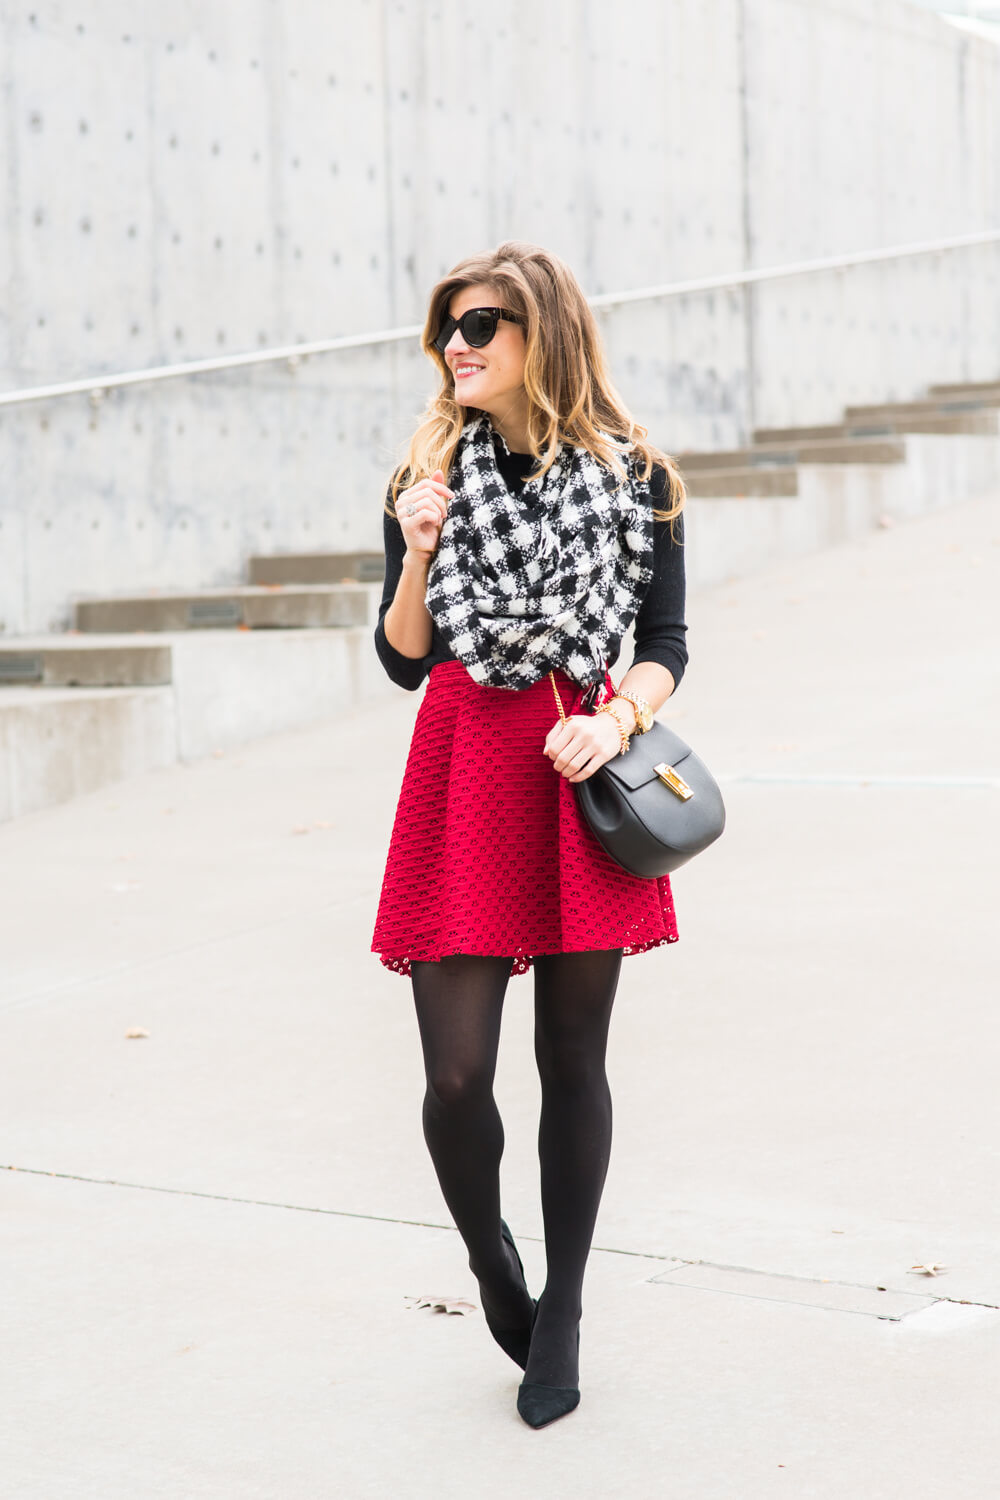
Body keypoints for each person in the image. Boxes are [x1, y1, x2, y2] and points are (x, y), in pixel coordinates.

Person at [370, 241, 687, 1429]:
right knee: (454, 1075)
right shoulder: (426, 467)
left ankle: (562, 1309)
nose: (459, 343)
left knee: (571, 1059)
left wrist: (616, 720)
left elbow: (667, 641)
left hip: (574, 767)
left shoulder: (638, 476)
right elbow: (403, 658)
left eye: (485, 323)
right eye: (449, 324)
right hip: (462, 763)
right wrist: (415, 552)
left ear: (541, 334)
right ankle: (493, 1265)